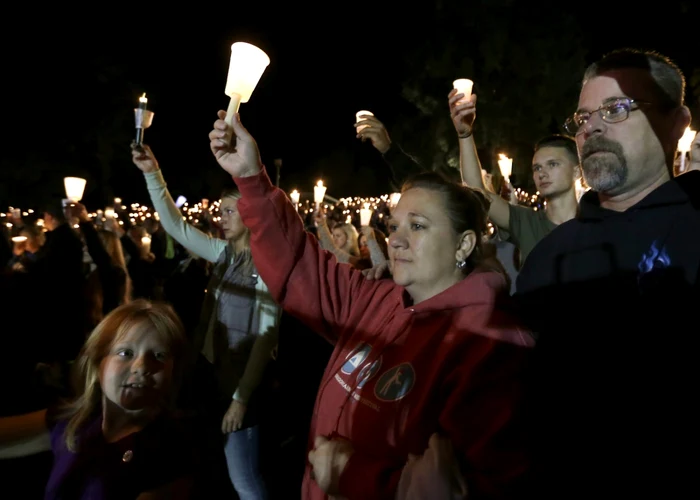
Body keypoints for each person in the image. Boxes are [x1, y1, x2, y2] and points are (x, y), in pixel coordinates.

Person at [208, 110, 534, 499]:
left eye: (417, 226)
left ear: (463, 244)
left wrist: (353, 475)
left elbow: (488, 488)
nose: (395, 239)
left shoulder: (490, 347)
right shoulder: (376, 299)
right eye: (395, 225)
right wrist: (252, 179)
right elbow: (299, 266)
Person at [516, 48, 700, 497]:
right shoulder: (546, 257)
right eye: (581, 118)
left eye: (615, 109)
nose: (590, 128)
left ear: (676, 123)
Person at [131, 144, 279, 499]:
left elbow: (266, 338)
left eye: (229, 211)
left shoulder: (267, 266)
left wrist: (241, 398)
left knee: (245, 478)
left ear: (249, 216)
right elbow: (175, 226)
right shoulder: (223, 253)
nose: (221, 218)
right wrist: (153, 174)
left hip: (240, 388)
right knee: (216, 472)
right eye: (221, 211)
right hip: (211, 380)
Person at [0, 300, 197, 499]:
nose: (142, 366)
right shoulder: (74, 420)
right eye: (125, 353)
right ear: (97, 362)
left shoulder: (172, 450)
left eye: (159, 355)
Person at [448, 90, 580, 266]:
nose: (542, 173)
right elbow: (476, 188)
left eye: (553, 164)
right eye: (537, 167)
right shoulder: (525, 223)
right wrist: (465, 134)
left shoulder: (600, 223)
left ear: (577, 171)